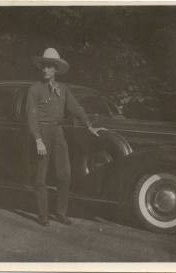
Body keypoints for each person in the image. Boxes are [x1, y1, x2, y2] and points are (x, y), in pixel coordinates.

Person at [26, 48, 106, 226]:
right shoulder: (35, 89)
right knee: (41, 177)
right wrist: (38, 139)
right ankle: (43, 215)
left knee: (65, 175)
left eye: (49, 67)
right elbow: (31, 117)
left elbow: (76, 108)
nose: (45, 70)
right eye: (43, 66)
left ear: (56, 70)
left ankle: (61, 212)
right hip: (42, 133)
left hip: (58, 133)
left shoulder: (63, 89)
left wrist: (89, 126)